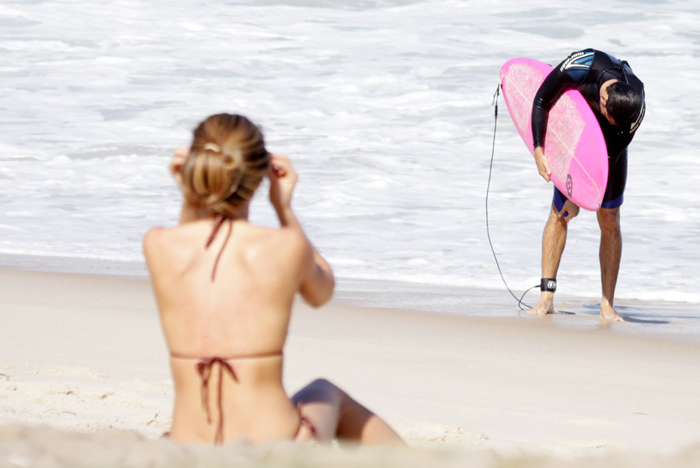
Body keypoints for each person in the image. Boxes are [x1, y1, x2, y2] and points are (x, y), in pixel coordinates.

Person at [143, 113, 403, 445]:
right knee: (327, 392)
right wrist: (284, 209)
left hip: (186, 448)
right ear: (261, 174)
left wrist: (188, 194)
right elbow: (321, 293)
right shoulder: (285, 246)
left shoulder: (158, 244)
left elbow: (188, 241)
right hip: (276, 448)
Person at [528, 49, 645, 322]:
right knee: (560, 212)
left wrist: (582, 195)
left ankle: (607, 305)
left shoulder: (635, 104)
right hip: (577, 132)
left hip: (610, 149)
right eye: (610, 115)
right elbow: (542, 99)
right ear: (603, 99)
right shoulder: (583, 65)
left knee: (609, 218)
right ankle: (546, 297)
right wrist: (538, 150)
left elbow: (613, 149)